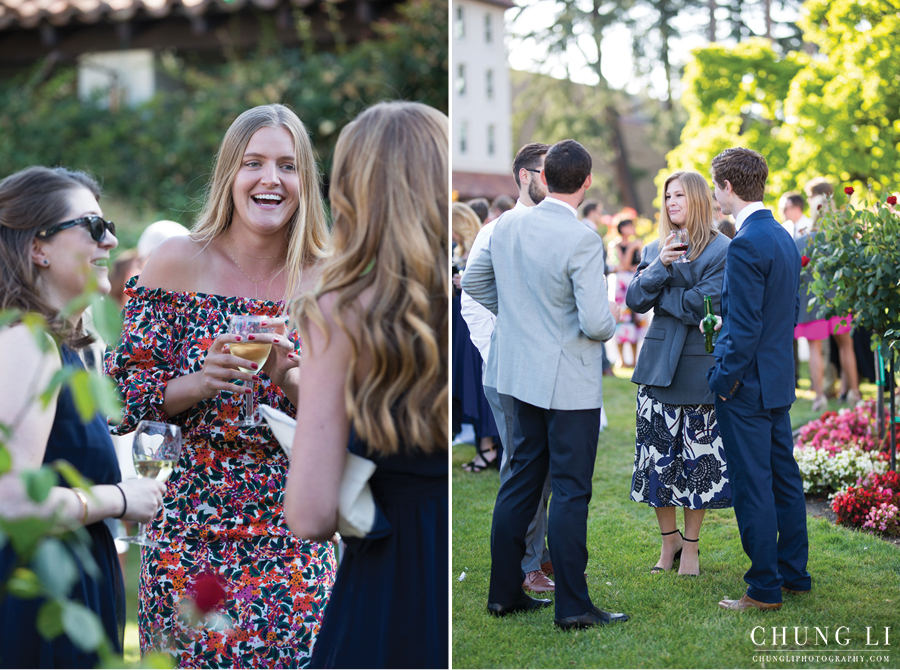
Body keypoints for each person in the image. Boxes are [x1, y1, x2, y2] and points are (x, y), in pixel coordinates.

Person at [105, 104, 336, 667]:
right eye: (253, 163)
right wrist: (199, 382)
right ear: (229, 174)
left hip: (294, 532)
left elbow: (353, 420)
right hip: (187, 530)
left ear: (305, 180)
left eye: (287, 166)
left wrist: (291, 378)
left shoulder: (331, 277)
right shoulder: (175, 264)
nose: (270, 180)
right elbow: (126, 399)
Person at [284, 101, 448, 669]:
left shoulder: (339, 309)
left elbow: (308, 515)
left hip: (389, 572)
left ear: (352, 188)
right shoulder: (466, 289)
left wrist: (288, 378)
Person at [0, 166, 165, 667]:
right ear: (38, 247)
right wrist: (119, 498)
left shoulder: (65, 347)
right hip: (35, 602)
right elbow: (11, 502)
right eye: (92, 227)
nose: (112, 239)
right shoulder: (24, 343)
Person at [463, 139, 625, 630]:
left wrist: (517, 316)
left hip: (516, 372)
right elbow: (597, 326)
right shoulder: (582, 238)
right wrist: (611, 313)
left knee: (518, 481)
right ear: (586, 182)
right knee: (572, 491)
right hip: (566, 382)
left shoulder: (504, 225)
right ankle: (573, 606)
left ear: (543, 176)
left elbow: (472, 282)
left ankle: (503, 593)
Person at [708, 147, 811, 611]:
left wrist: (723, 380)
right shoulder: (783, 236)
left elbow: (742, 326)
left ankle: (764, 588)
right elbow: (786, 314)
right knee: (784, 480)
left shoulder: (747, 241)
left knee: (754, 486)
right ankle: (794, 575)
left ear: (728, 187)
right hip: (777, 378)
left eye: (716, 186)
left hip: (746, 385)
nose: (715, 194)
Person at [626, 170, 732, 577]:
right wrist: (658, 268)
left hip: (697, 367)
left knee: (696, 464)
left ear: (699, 200)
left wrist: (664, 293)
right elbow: (636, 299)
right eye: (667, 196)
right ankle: (668, 543)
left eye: (679, 196)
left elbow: (706, 304)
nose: (671, 203)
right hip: (656, 367)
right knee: (657, 464)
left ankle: (691, 547)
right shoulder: (656, 247)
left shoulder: (723, 249)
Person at [461, 142, 556, 595]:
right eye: (545, 171)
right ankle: (526, 564)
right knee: (523, 466)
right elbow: (472, 299)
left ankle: (539, 550)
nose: (553, 178)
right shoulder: (495, 231)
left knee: (553, 464)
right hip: (510, 367)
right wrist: (497, 348)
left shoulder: (561, 225)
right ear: (524, 176)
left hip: (553, 368)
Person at [452, 202, 500, 472]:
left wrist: (464, 282)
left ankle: (488, 448)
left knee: (479, 387)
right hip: (462, 324)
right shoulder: (460, 251)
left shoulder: (481, 246)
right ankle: (483, 446)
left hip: (476, 328)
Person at [608, 217, 645, 368]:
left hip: (634, 282)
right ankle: (622, 360)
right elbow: (623, 265)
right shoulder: (616, 246)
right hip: (621, 287)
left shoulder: (638, 244)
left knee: (636, 319)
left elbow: (641, 263)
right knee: (622, 319)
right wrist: (631, 248)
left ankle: (635, 359)